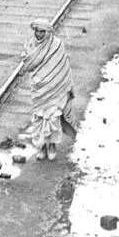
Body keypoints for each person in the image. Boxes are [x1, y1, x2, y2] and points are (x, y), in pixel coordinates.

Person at [21, 19, 77, 161]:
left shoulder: (57, 45)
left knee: (53, 118)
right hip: (39, 88)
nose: (39, 34)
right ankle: (42, 147)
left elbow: (63, 66)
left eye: (42, 31)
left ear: (48, 32)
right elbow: (28, 61)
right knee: (40, 118)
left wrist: (64, 84)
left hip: (55, 87)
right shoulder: (31, 44)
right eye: (37, 31)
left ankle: (52, 146)